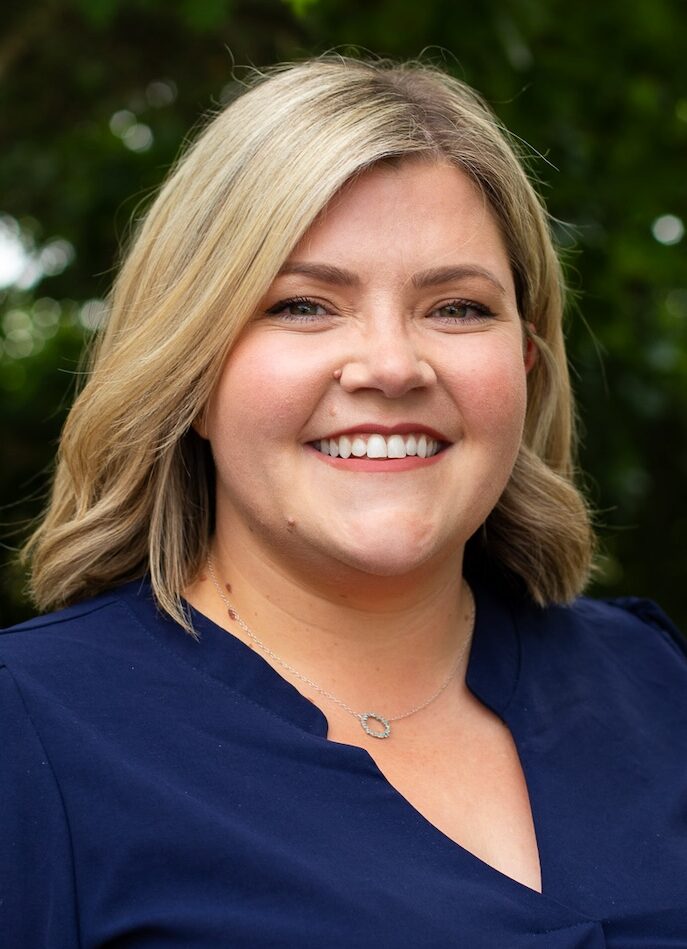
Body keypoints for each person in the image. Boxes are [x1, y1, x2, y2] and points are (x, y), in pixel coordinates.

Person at [1, 56, 686, 948]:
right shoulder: (32, 731)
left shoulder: (650, 681)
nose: (392, 367)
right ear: (191, 372)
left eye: (456, 308)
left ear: (525, 359)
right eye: (304, 305)